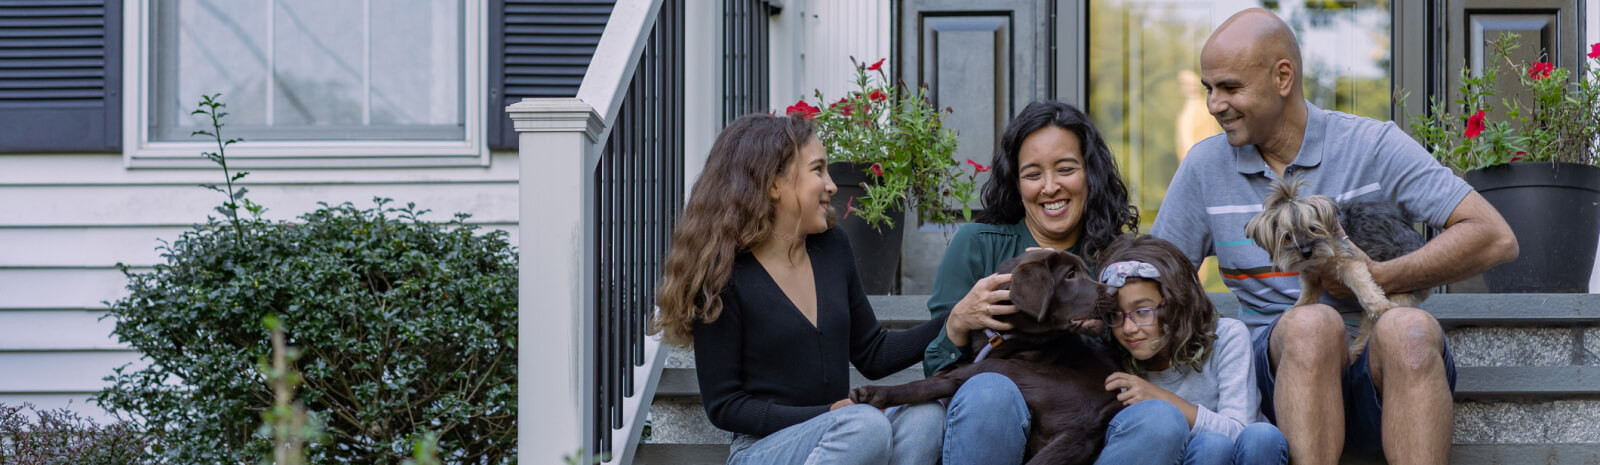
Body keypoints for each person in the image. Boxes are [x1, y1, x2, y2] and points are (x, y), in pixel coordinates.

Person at [1152, 8, 1518, 465]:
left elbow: (1494, 236)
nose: (1213, 104)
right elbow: (1157, 279)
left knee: (1410, 328)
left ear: (1283, 77)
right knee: (1313, 325)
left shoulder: (1372, 145)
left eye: (1230, 87)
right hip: (1277, 378)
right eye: (1210, 89)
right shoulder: (1205, 167)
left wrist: (1378, 274)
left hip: (1379, 373)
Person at [652, 113, 948, 465]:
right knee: (865, 426)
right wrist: (828, 414)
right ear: (773, 183)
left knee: (925, 416)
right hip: (761, 448)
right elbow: (726, 406)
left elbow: (872, 351)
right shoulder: (722, 274)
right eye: (818, 170)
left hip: (841, 434)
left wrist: (953, 322)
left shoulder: (833, 247)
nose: (832, 185)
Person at [921, 100, 1147, 465]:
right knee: (990, 391)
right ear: (1016, 182)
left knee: (1154, 421)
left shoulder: (1115, 257)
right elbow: (938, 370)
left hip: (1084, 436)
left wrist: (1099, 329)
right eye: (1032, 174)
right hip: (990, 426)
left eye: (1066, 169)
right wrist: (959, 321)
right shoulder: (978, 246)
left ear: (1090, 173)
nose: (1050, 187)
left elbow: (1145, 357)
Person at [1095, 234, 1289, 465]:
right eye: (1115, 314)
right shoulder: (1112, 358)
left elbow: (1240, 430)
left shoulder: (1226, 336)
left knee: (1263, 436)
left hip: (1248, 455)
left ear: (1177, 302)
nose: (1128, 328)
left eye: (1143, 311)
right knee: (1212, 447)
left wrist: (1162, 398)